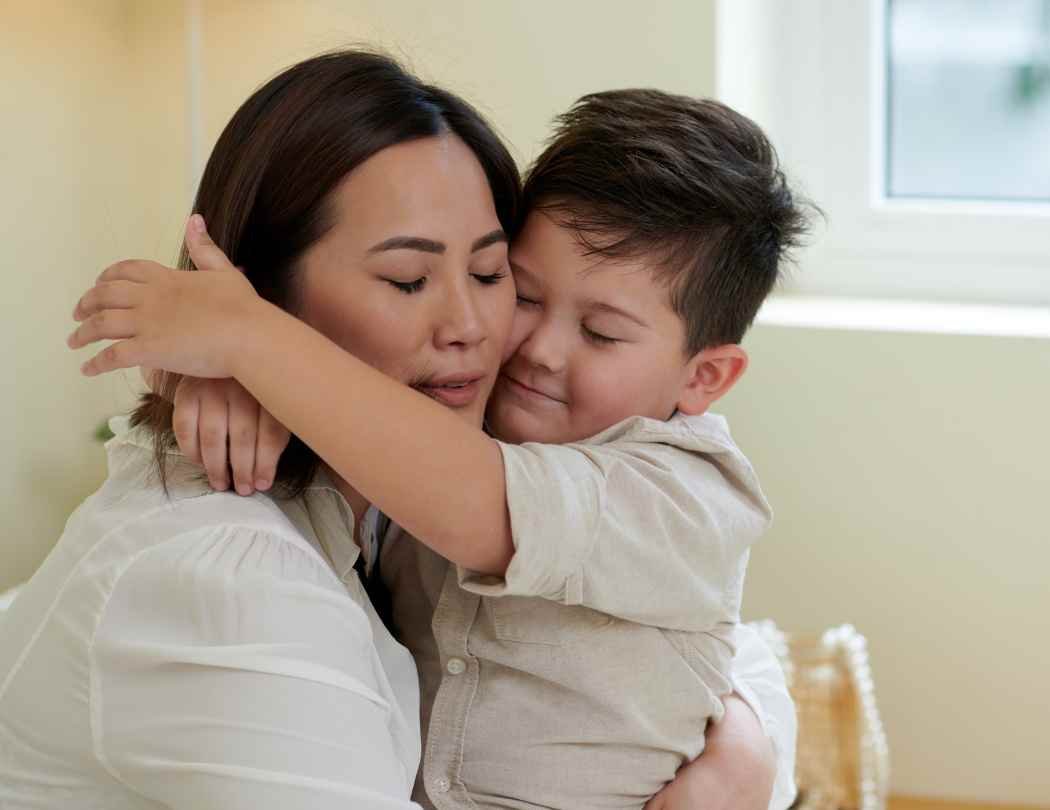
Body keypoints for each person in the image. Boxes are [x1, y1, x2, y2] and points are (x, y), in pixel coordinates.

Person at [3, 50, 788, 810]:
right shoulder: (232, 571)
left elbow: (719, 637)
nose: (481, 331)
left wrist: (749, 746)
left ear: (705, 379)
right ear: (259, 288)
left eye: (487, 275)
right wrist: (230, 357)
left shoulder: (654, 483)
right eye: (409, 280)